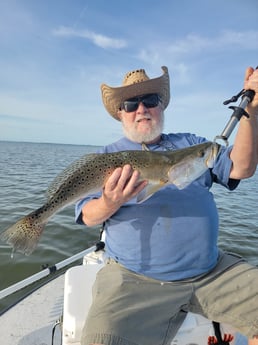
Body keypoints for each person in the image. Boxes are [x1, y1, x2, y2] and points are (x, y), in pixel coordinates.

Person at [75, 66, 258, 345]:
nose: (142, 109)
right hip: (133, 280)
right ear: (120, 113)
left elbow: (241, 168)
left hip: (213, 272)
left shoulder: (193, 144)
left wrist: (252, 112)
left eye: (150, 101)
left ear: (161, 106)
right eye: (130, 104)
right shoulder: (104, 159)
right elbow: (87, 216)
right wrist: (109, 202)